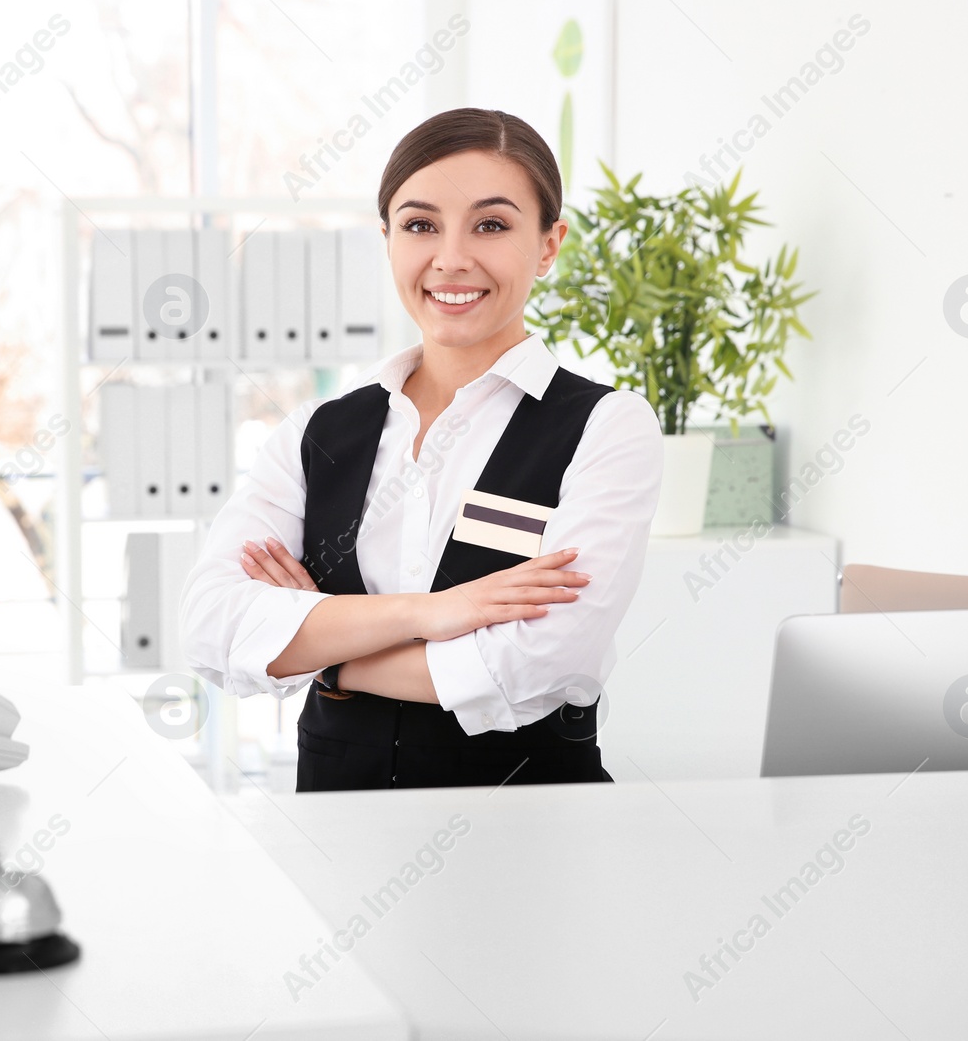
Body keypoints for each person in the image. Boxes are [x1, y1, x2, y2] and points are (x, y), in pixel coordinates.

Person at [179, 107, 663, 791]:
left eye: (491, 225)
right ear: (387, 239)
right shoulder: (317, 433)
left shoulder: (606, 426)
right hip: (336, 826)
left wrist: (328, 655)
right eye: (419, 224)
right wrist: (425, 613)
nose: (451, 258)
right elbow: (211, 625)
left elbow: (541, 666)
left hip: (530, 827)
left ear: (550, 244)